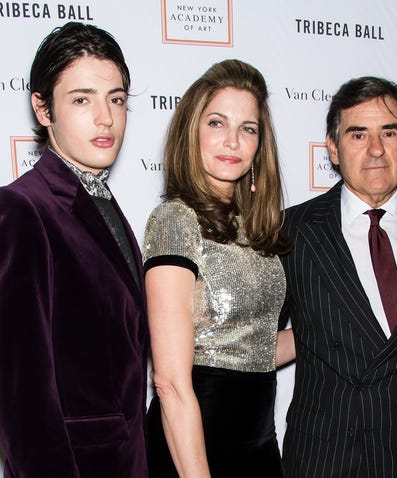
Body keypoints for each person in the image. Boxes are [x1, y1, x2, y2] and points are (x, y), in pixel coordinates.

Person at [0, 22, 149, 477]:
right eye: (82, 99)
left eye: (116, 99)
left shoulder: (105, 206)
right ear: (43, 108)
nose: (105, 118)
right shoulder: (17, 210)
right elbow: (21, 400)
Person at [279, 75, 397, 478]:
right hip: (324, 462)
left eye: (389, 132)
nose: (376, 149)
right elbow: (257, 348)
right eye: (358, 134)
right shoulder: (290, 232)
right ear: (333, 147)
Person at [142, 59, 295, 478]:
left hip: (260, 444)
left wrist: (328, 332)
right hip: (194, 447)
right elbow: (171, 383)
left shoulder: (256, 229)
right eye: (216, 123)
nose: (233, 141)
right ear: (192, 129)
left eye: (248, 128)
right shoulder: (175, 220)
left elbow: (252, 347)